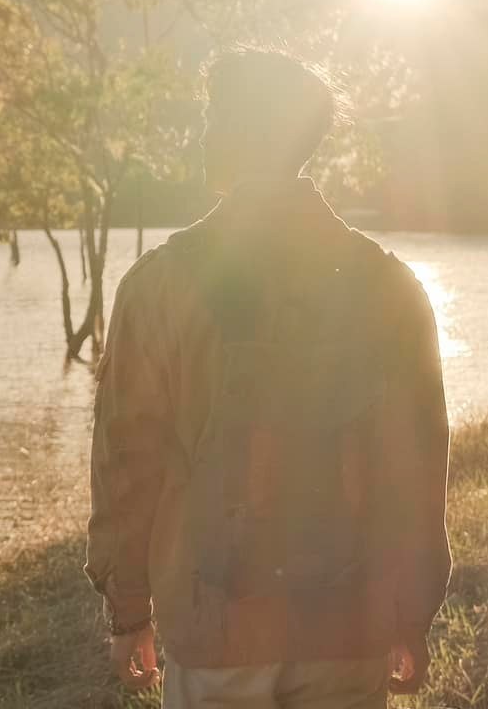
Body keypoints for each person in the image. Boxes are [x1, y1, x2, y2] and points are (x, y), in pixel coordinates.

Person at [86, 50, 450, 708]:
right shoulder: (387, 284)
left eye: (210, 119)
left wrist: (128, 609)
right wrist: (411, 611)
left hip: (219, 628)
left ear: (233, 134)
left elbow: (125, 460)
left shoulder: (160, 286)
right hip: (349, 626)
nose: (201, 136)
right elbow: (416, 467)